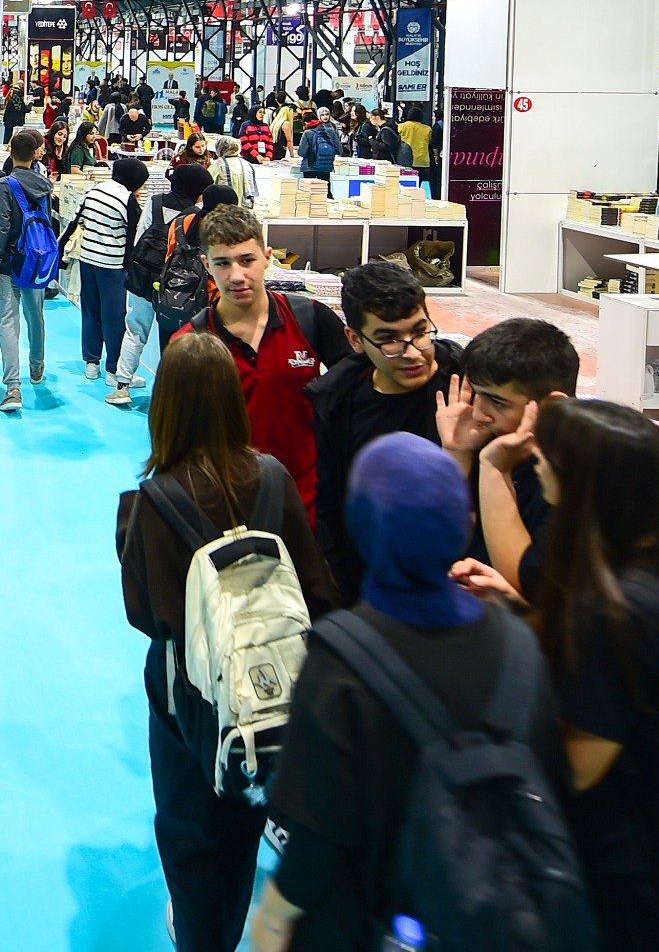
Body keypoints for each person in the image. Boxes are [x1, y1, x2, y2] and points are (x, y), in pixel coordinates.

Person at [251, 433, 571, 952]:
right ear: (463, 524)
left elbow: (319, 831)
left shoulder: (340, 658)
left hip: (370, 919)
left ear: (363, 528)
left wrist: (275, 915)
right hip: (497, 916)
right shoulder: (519, 644)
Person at [458, 397, 659, 952]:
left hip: (616, 870)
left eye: (550, 454)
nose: (540, 460)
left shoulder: (611, 610)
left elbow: (579, 766)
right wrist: (523, 613)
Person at [118, 332, 336, 952]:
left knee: (189, 833)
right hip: (269, 692)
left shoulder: (154, 500)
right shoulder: (273, 478)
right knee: (242, 823)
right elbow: (313, 586)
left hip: (188, 695)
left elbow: (147, 616)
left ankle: (197, 935)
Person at [309, 260, 465, 605]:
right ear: (355, 340)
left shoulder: (467, 381)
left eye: (420, 332)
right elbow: (331, 502)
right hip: (371, 589)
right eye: (389, 341)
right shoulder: (336, 403)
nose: (412, 353)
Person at [175, 205, 349, 515]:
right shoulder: (191, 344)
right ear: (206, 265)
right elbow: (178, 441)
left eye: (247, 260)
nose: (237, 276)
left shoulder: (311, 319)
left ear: (267, 257)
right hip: (230, 508)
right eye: (223, 263)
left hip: (309, 504)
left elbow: (357, 392)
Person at [441, 316, 578, 597]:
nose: (479, 414)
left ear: (552, 407)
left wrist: (494, 469)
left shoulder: (574, 478)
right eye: (476, 395)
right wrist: (457, 454)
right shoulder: (482, 440)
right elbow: (438, 548)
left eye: (498, 402)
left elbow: (525, 583)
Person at [114, 160, 219, 402]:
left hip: (146, 275)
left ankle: (122, 385)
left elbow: (141, 235)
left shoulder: (156, 201)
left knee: (135, 328)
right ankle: (170, 391)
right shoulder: (196, 214)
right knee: (175, 336)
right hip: (178, 283)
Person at [0, 126, 57, 413]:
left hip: (8, 263)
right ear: (35, 154)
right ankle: (37, 366)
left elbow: (0, 227)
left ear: (11, 153)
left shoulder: (5, 185)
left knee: (7, 322)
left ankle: (13, 386)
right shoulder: (43, 185)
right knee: (35, 315)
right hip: (36, 261)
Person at [75, 156, 146, 402]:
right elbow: (135, 233)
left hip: (87, 258)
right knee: (114, 317)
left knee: (90, 311)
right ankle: (113, 370)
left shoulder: (93, 190)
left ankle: (91, 363)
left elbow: (80, 220)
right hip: (113, 265)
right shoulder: (127, 199)